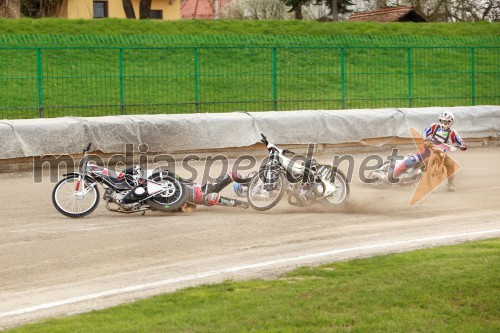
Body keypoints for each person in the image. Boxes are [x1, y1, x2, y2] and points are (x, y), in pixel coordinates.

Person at [392, 111, 467, 192]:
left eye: (446, 122)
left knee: (451, 164)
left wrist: (462, 146)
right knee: (412, 160)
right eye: (442, 121)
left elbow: (461, 143)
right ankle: (393, 175)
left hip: (441, 153)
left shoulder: (453, 133)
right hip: (428, 148)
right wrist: (426, 140)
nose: (444, 123)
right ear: (440, 120)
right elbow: (425, 132)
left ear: (451, 122)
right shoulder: (434, 126)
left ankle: (451, 183)